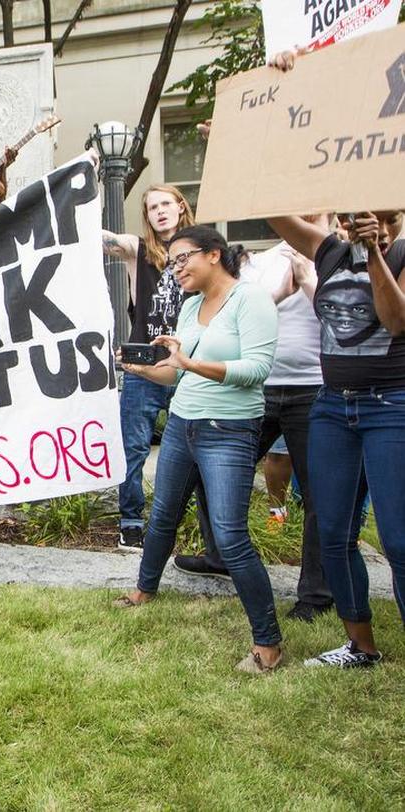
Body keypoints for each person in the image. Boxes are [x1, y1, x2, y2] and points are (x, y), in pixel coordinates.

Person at [113, 226, 283, 674]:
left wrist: (188, 362)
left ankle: (267, 642)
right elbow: (178, 375)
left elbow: (256, 369)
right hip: (182, 425)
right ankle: (143, 591)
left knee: (229, 535)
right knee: (163, 513)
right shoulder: (189, 307)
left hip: (228, 430)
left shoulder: (251, 300)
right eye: (172, 262)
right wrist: (139, 369)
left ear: (213, 254)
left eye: (183, 258)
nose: (177, 268)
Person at [171, 225, 334, 622]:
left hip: (310, 386)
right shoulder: (258, 262)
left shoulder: (335, 256)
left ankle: (315, 594)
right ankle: (220, 555)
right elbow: (248, 311)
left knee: (317, 494)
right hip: (249, 393)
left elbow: (343, 319)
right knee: (205, 471)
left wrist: (311, 280)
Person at [266, 208, 405, 667]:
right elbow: (276, 215)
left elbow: (396, 320)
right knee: (333, 532)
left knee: (398, 538)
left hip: (390, 406)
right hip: (331, 406)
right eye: (361, 215)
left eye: (386, 216)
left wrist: (375, 256)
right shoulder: (329, 251)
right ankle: (360, 645)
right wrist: (244, 149)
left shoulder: (401, 252)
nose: (372, 221)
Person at [102, 184, 196, 551]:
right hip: (145, 364)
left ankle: (181, 522)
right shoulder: (139, 251)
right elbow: (105, 239)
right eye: (152, 207)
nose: (159, 211)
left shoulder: (202, 251)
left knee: (195, 445)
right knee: (134, 446)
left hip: (190, 362)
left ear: (180, 207)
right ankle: (131, 522)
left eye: (165, 204)